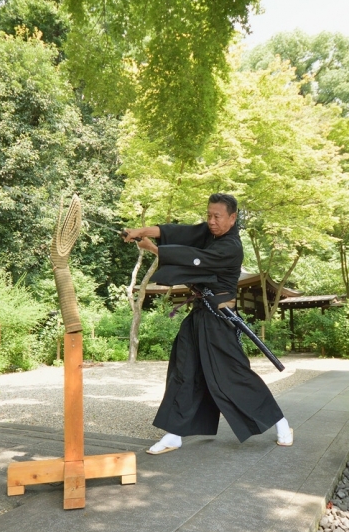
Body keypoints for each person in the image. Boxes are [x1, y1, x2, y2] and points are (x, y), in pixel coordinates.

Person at [122, 193, 294, 454]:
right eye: (209, 215)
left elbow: (194, 260)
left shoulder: (231, 246)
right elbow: (179, 233)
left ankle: (281, 423)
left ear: (233, 218)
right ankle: (175, 434)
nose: (211, 222)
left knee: (232, 375)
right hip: (201, 313)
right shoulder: (209, 232)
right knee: (184, 368)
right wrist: (141, 230)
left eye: (218, 217)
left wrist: (152, 248)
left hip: (220, 319)